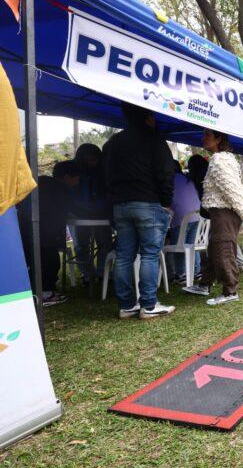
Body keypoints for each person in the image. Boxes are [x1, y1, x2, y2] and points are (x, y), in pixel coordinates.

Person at [102, 102, 176, 319]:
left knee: (124, 256)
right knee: (150, 255)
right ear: (149, 117)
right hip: (148, 203)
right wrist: (165, 201)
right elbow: (165, 172)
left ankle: (127, 306)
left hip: (120, 205)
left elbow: (104, 176)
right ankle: (149, 305)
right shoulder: (154, 140)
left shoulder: (112, 143)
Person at [183, 129, 243, 306]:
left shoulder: (220, 159)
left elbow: (231, 187)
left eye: (207, 135)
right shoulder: (223, 158)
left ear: (219, 139)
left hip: (224, 212)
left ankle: (230, 291)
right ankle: (204, 284)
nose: (203, 138)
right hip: (221, 211)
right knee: (214, 248)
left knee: (223, 249)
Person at [20, 161, 83, 307]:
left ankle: (32, 292)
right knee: (50, 261)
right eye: (77, 179)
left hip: (26, 229)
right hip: (48, 232)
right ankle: (46, 293)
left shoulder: (39, 182)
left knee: (32, 261)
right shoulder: (61, 190)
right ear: (67, 177)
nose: (78, 182)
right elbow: (72, 209)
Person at [71, 143, 111, 284]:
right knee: (81, 245)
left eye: (95, 160)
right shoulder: (73, 172)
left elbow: (107, 194)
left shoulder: (103, 173)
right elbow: (71, 196)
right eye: (89, 160)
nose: (92, 163)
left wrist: (99, 207)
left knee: (105, 244)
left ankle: (102, 273)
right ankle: (87, 274)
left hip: (101, 215)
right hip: (78, 215)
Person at [166, 161, 201, 283]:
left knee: (178, 246)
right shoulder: (186, 178)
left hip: (181, 219)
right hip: (197, 217)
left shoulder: (168, 181)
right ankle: (196, 271)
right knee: (192, 246)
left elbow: (165, 202)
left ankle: (181, 274)